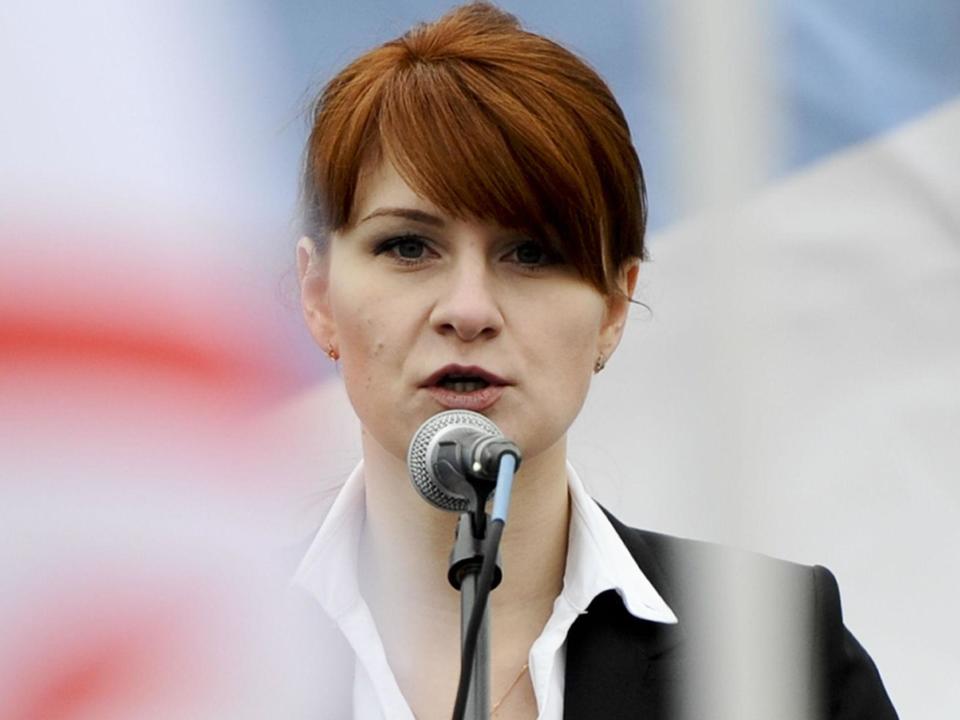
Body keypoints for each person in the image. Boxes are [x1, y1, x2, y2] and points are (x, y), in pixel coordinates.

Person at [291, 3, 898, 718]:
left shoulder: (772, 646)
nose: (468, 309)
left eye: (532, 253)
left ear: (614, 308)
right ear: (321, 295)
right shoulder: (188, 644)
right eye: (408, 247)